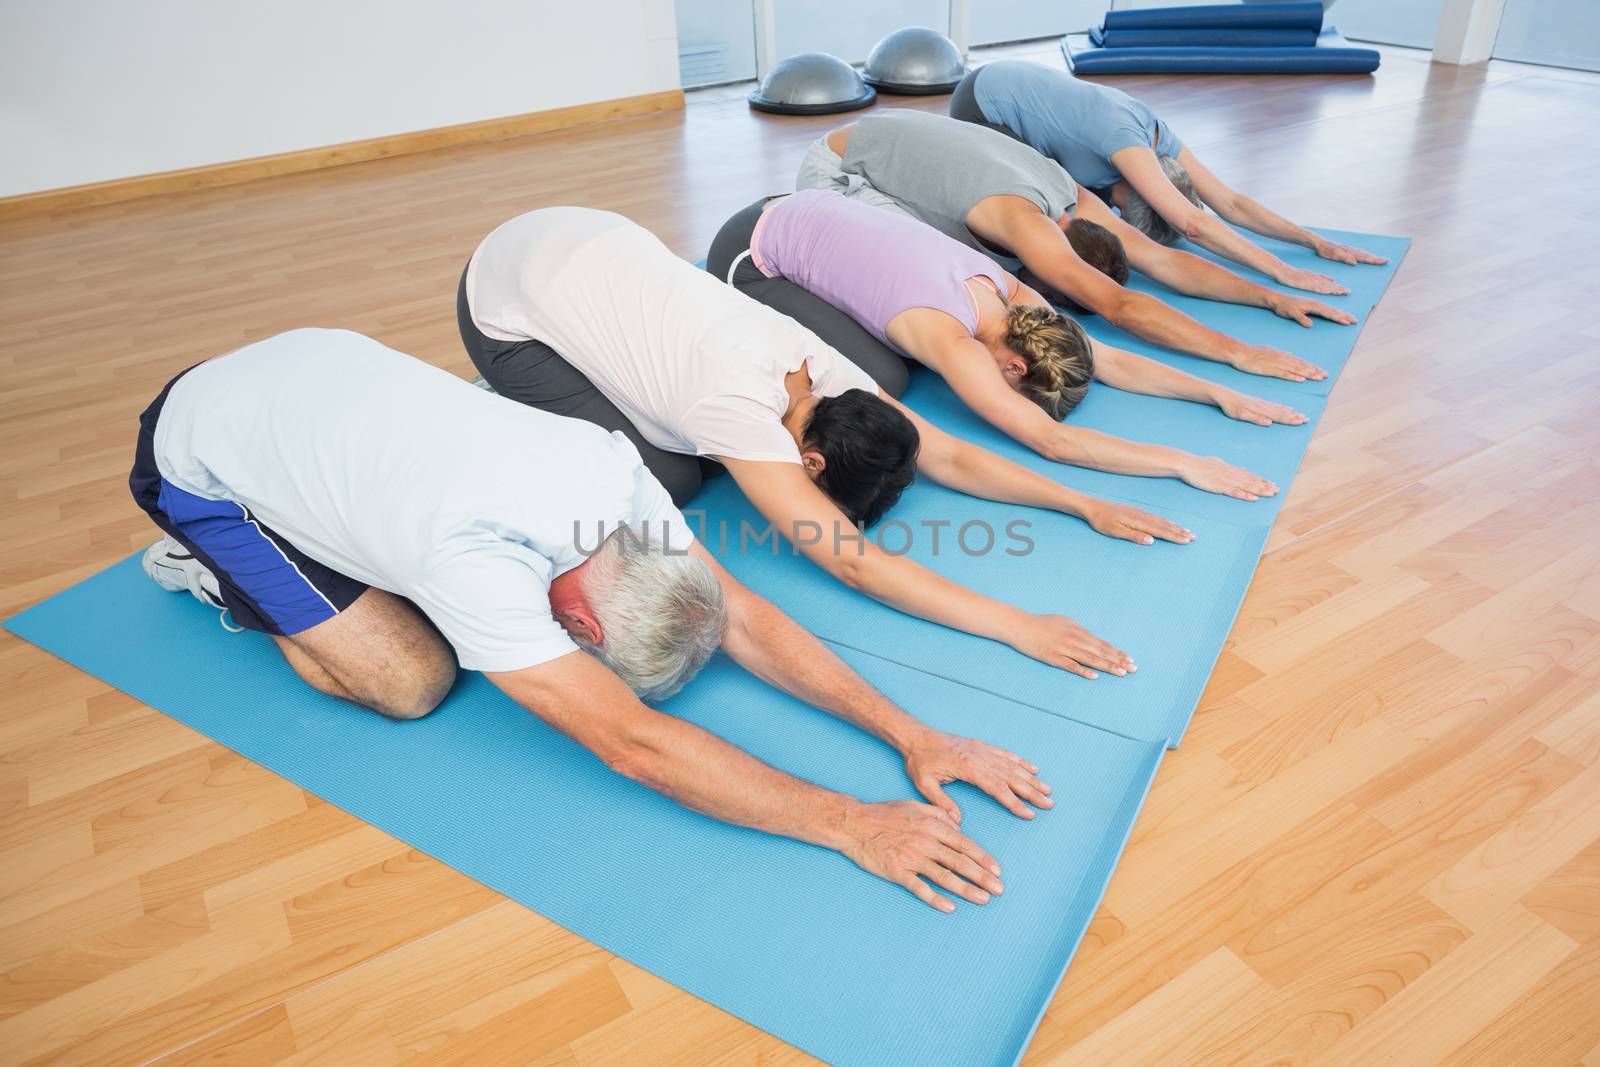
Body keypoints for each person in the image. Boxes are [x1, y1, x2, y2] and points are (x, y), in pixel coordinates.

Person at [132, 328, 1054, 913]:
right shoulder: (475, 565)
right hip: (200, 445)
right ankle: (209, 567)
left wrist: (912, 732)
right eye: (582, 646)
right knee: (408, 679)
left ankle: (331, 545)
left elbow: (744, 613)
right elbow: (633, 745)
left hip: (320, 365)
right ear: (572, 615)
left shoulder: (606, 469)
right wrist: (850, 821)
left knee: (428, 608)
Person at [460, 206, 1193, 681]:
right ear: (808, 462)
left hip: (594, 236)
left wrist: (1082, 503)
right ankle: (501, 398)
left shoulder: (822, 371)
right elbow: (856, 566)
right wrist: (1017, 625)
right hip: (503, 300)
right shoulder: (735, 411)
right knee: (667, 481)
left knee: (682, 451)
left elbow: (949, 452)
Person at [709, 189, 1307, 501]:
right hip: (751, 250)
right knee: (879, 383)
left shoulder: (1011, 294)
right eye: (1016, 388)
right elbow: (1049, 440)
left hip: (804, 207)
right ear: (1014, 365)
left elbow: (1106, 358)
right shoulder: (956, 340)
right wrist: (1182, 462)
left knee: (890, 364)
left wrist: (1216, 390)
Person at [797, 108, 1354, 384]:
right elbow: (1120, 305)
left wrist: (1269, 295)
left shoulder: (1073, 199)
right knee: (950, 294)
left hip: (884, 137)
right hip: (840, 170)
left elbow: (1163, 260)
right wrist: (1238, 353)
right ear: (1053, 264)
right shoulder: (1024, 224)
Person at [950, 60, 1388, 287]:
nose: (1115, 208)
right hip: (983, 103)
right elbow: (1194, 224)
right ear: (1139, 189)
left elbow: (1229, 203)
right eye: (1123, 207)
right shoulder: (1123, 140)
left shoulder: (1161, 142)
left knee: (1079, 205)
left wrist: (1312, 242)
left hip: (1022, 92)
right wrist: (1280, 272)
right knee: (1051, 211)